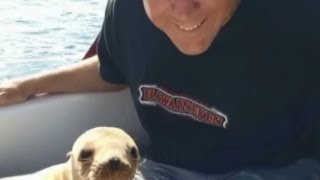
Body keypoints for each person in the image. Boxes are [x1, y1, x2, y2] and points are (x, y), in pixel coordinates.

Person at [0, 0, 319, 179]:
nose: (182, 10)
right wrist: (25, 85)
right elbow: (111, 68)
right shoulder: (128, 12)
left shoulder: (301, 18)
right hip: (161, 168)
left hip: (276, 169)